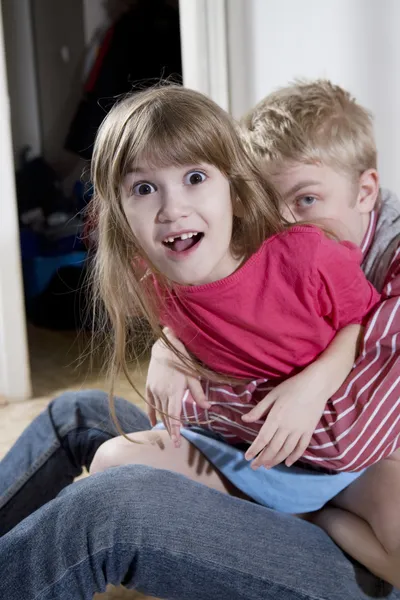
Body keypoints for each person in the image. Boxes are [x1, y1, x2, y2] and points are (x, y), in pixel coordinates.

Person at [0, 82, 398, 599]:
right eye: (145, 189)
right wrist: (169, 346)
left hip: (348, 504)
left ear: (365, 191)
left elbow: (349, 418)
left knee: (110, 505)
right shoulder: (183, 262)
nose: (279, 224)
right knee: (77, 419)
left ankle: (318, 525)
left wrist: (309, 382)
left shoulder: (322, 258)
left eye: (305, 199)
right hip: (251, 464)